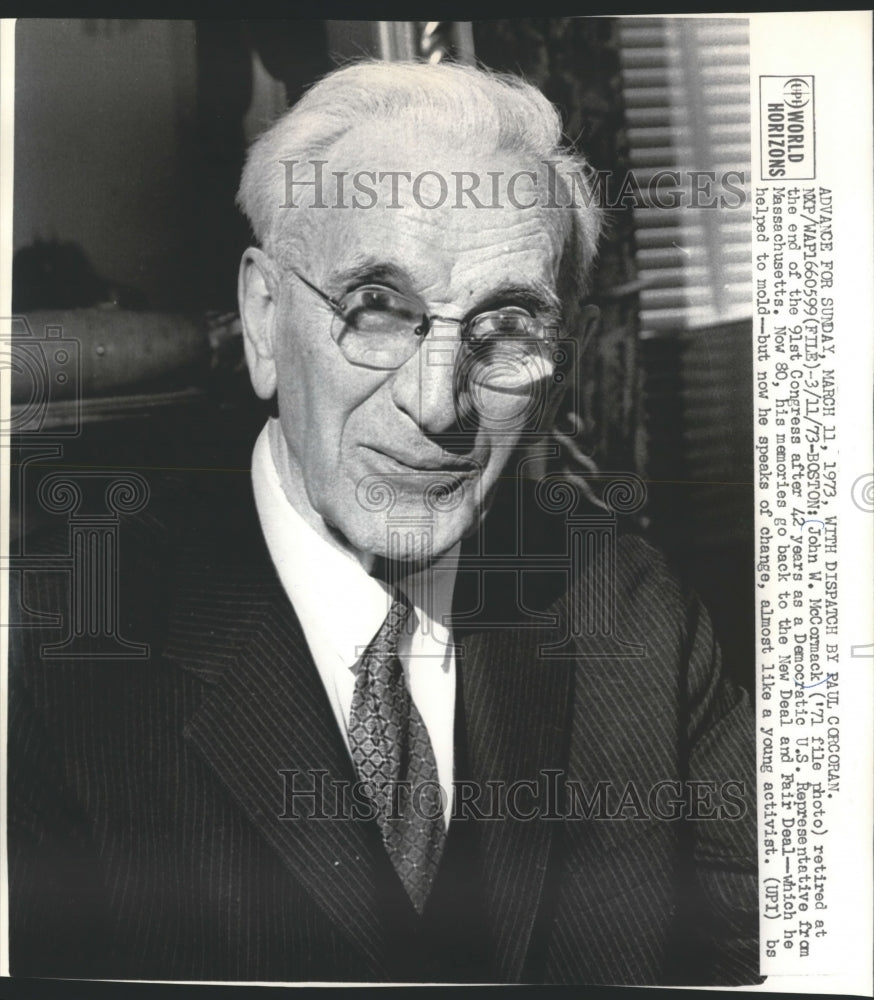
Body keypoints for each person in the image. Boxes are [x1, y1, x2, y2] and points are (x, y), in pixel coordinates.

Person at [7, 60, 758, 985]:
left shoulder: (638, 616)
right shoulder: (48, 648)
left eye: (507, 327)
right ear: (264, 319)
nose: (437, 404)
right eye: (376, 310)